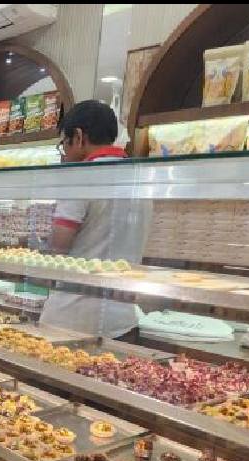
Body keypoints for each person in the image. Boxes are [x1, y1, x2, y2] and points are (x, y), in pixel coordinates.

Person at [37, 100, 152, 340]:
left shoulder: (82, 177)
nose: (65, 155)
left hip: (72, 319)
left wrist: (38, 250)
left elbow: (60, 245)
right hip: (123, 320)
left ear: (78, 137)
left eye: (63, 145)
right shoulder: (141, 180)